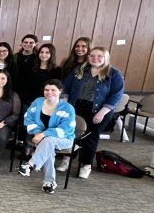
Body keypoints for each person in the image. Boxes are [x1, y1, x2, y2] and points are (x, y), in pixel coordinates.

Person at [61, 47, 124, 179]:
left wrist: (102, 113)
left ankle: (86, 165)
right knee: (71, 133)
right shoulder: (80, 70)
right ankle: (66, 159)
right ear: (88, 57)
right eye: (92, 56)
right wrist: (66, 104)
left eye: (99, 56)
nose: (95, 58)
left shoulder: (114, 74)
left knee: (91, 137)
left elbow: (116, 96)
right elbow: (65, 86)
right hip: (76, 106)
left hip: (99, 110)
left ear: (106, 58)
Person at [19, 79, 76, 194]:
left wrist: (43, 134)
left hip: (64, 139)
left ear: (60, 91)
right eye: (46, 90)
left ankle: (31, 164)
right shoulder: (38, 102)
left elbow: (65, 129)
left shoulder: (67, 108)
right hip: (41, 137)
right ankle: (49, 182)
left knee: (48, 141)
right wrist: (37, 133)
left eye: (53, 90)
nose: (49, 92)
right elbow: (28, 118)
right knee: (48, 147)